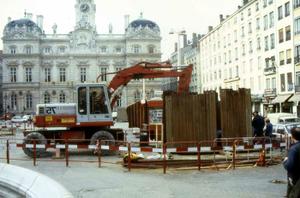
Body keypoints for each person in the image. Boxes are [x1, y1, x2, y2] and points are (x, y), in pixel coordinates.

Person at [283, 127, 300, 198]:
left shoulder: (294, 149)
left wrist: (285, 161)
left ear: (292, 137)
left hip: (296, 178)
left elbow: (290, 165)